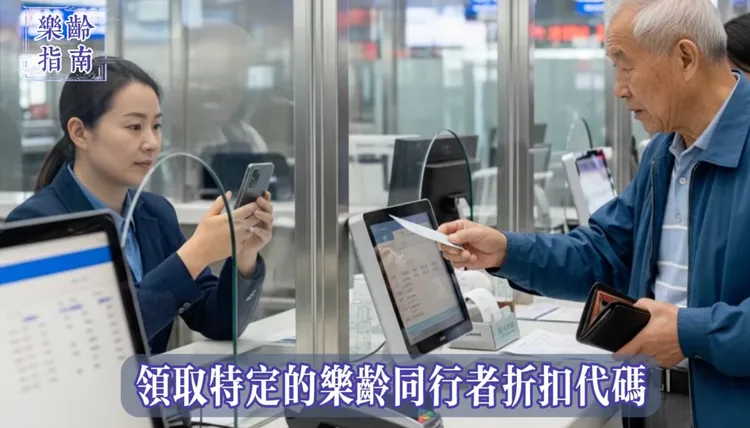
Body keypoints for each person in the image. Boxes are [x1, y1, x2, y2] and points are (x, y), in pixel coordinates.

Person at [438, 0, 749, 427]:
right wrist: (506, 251)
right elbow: (603, 252)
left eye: (626, 66)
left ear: (684, 58)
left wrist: (689, 332)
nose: (619, 89)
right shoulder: (665, 154)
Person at [5, 57, 274, 355]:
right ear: (80, 132)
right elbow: (88, 343)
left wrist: (245, 256)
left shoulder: (155, 214)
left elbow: (218, 323)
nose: (151, 143)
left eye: (156, 126)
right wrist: (193, 256)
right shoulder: (36, 222)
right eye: (134, 126)